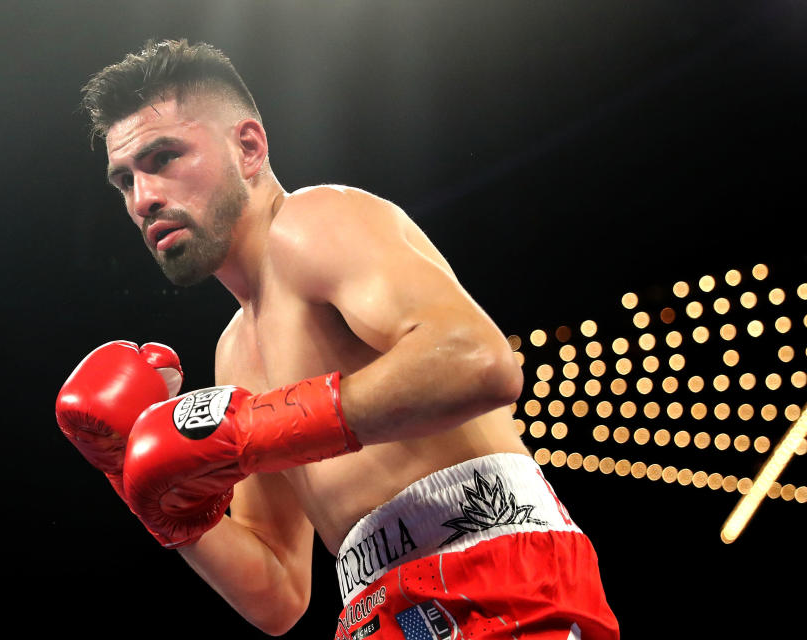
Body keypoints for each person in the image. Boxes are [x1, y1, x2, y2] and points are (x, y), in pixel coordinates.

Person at [56, 39, 619, 639]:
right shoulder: (234, 352)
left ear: (248, 147)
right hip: (373, 613)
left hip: (501, 582)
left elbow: (479, 362)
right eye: (124, 180)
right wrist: (154, 498)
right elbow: (278, 594)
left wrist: (255, 429)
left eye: (163, 156)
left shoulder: (315, 223)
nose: (143, 199)